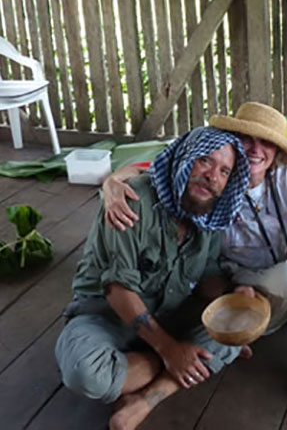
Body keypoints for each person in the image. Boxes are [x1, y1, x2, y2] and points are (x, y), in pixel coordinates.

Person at [104, 102, 287, 424]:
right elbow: (151, 166)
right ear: (232, 140)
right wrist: (112, 184)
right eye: (247, 138)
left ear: (278, 152)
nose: (256, 149)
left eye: (267, 142)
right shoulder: (213, 175)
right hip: (242, 285)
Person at [55, 127, 251, 430]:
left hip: (170, 313)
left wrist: (234, 296)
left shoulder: (209, 217)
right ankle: (174, 361)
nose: (213, 176)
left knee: (236, 330)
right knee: (85, 372)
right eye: (205, 162)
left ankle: (145, 400)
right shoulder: (132, 200)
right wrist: (171, 350)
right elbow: (118, 290)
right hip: (107, 315)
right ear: (185, 159)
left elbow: (208, 273)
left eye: (224, 171)